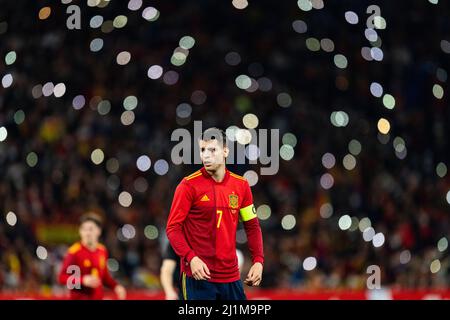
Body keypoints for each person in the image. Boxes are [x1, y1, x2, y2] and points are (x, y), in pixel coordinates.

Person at [166, 127, 264, 300]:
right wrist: (191, 258)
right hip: (198, 277)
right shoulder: (187, 186)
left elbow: (252, 226)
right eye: (203, 150)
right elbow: (173, 229)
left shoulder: (241, 186)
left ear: (225, 151)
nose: (206, 155)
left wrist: (258, 261)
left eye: (212, 150)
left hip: (231, 278)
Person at [58, 212, 126, 300]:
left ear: (99, 231)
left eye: (91, 229)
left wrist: (116, 287)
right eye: (84, 229)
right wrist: (83, 280)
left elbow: (104, 277)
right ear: (80, 231)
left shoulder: (102, 250)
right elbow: (62, 277)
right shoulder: (74, 252)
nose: (87, 233)